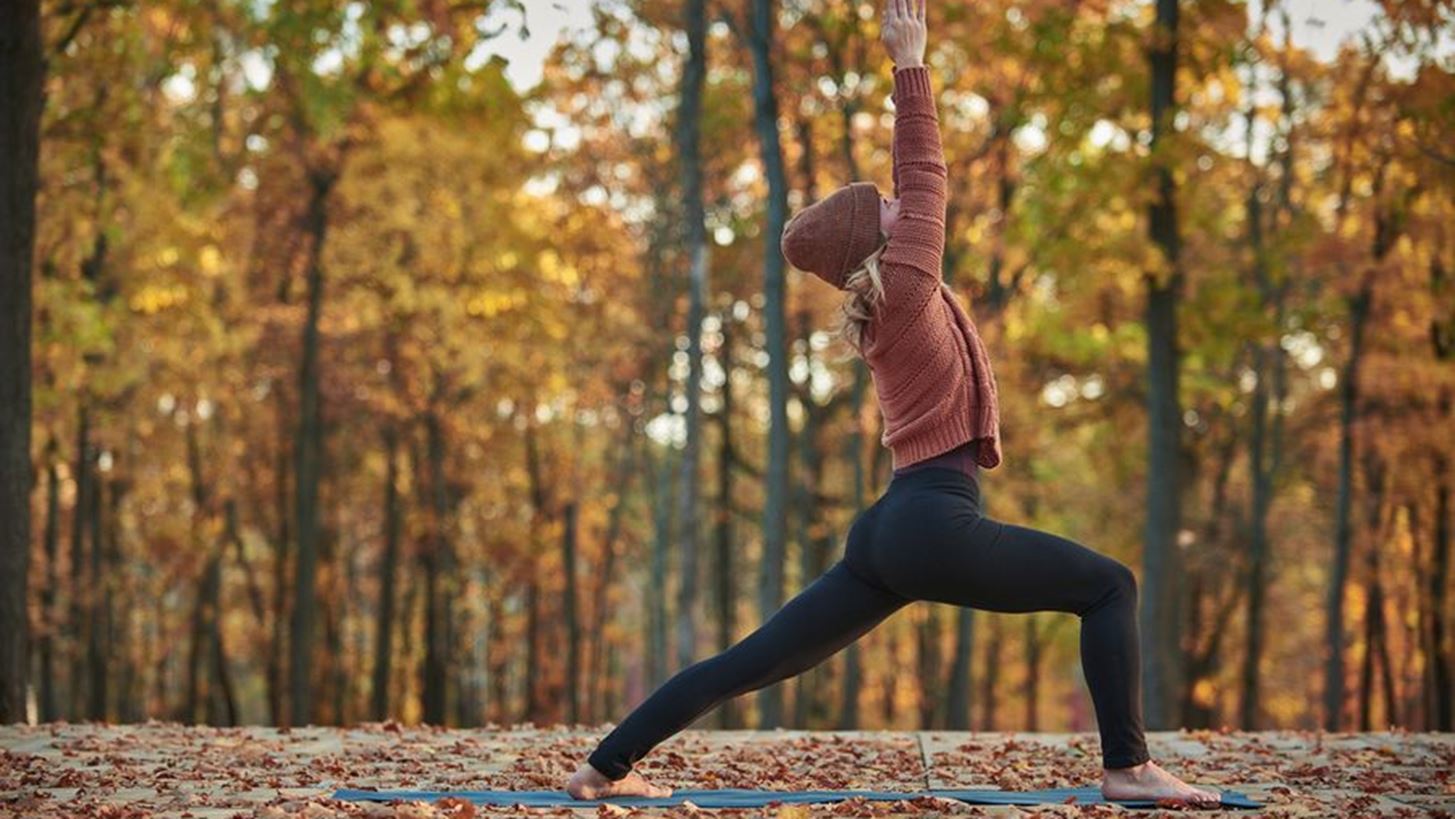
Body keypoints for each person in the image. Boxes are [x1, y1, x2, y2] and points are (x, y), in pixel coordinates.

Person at [567, 0, 1220, 806]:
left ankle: (598, 768)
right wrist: (908, 65)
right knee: (1109, 585)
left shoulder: (896, 300)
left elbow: (914, 192)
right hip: (926, 524)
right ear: (873, 243)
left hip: (892, 529)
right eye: (880, 209)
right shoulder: (905, 287)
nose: (896, 206)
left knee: (750, 661)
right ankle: (1126, 766)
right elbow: (926, 176)